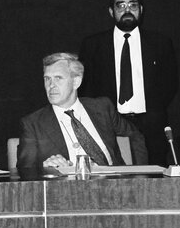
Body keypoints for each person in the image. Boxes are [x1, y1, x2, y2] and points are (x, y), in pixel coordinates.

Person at [79, 0, 178, 166]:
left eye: (133, 5)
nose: (127, 10)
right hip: (110, 125)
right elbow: (85, 88)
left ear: (141, 10)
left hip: (151, 126)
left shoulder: (160, 43)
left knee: (153, 182)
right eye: (121, 6)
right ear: (111, 11)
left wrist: (153, 111)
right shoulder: (93, 45)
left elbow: (170, 83)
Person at [17, 52, 147, 176]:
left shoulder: (102, 107)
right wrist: (44, 168)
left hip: (115, 184)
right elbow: (24, 168)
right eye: (47, 79)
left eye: (58, 78)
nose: (51, 85)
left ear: (76, 82)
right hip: (69, 191)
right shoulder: (33, 123)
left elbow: (135, 135)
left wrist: (141, 174)